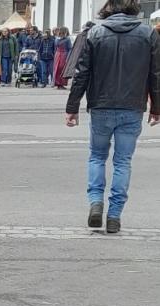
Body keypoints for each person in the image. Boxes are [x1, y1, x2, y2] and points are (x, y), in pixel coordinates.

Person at [66, 0, 160, 234]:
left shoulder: (95, 33)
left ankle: (96, 202)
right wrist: (157, 107)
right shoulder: (148, 33)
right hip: (132, 106)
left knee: (97, 156)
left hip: (101, 105)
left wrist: (72, 106)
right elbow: (156, 74)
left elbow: (82, 72)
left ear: (108, 9)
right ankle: (115, 215)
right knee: (123, 161)